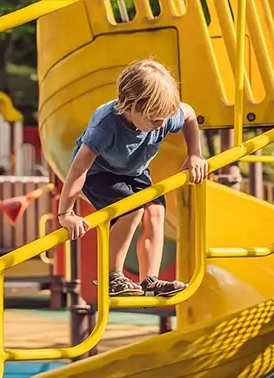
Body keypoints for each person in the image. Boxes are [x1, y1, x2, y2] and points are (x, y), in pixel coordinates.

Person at [57, 59, 208, 297]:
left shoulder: (164, 116)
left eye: (165, 119)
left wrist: (195, 154)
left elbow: (189, 116)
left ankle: (151, 280)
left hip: (134, 171)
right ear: (131, 106)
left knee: (156, 212)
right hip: (99, 173)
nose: (161, 125)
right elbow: (78, 169)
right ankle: (113, 277)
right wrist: (66, 213)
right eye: (155, 119)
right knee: (133, 209)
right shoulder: (106, 126)